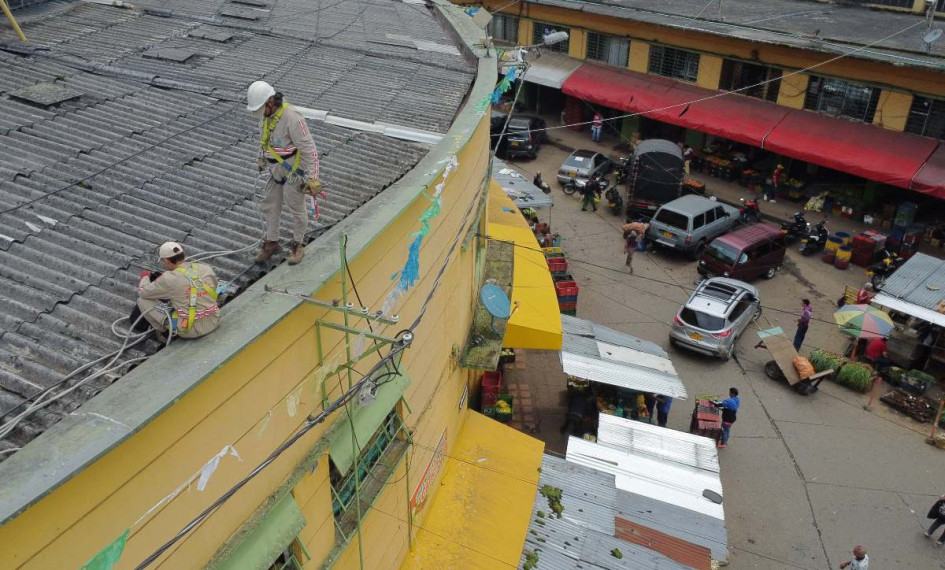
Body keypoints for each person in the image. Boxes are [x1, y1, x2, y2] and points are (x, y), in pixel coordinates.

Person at [246, 81, 322, 265]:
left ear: (271, 101)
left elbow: (309, 149)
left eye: (261, 108)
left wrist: (312, 178)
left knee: (296, 208)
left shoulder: (292, 118)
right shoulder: (266, 117)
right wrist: (261, 158)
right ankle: (271, 242)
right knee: (270, 204)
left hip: (293, 170)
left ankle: (298, 244)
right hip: (274, 169)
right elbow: (265, 141)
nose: (260, 113)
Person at [136, 242, 220, 341]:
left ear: (167, 261)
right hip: (214, 320)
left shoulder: (168, 278)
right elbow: (213, 288)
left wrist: (145, 277)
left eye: (163, 260)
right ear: (183, 255)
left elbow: (143, 292)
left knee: (142, 301)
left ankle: (164, 332)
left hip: (191, 330)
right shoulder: (205, 268)